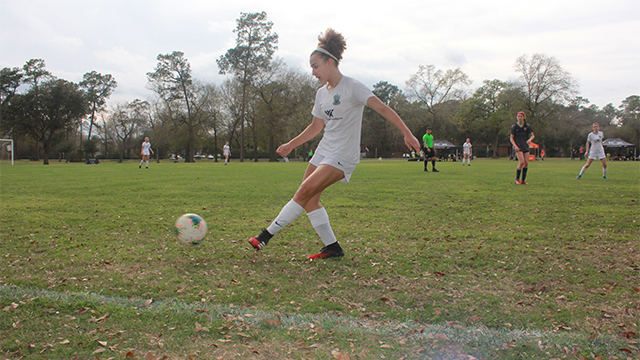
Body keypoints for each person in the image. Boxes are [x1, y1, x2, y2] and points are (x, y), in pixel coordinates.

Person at [247, 28, 421, 259]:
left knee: (304, 191)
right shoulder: (321, 94)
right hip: (323, 150)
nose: (313, 72)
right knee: (309, 200)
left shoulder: (352, 86)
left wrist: (407, 133)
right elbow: (316, 127)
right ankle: (332, 247)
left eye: (315, 66)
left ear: (330, 62)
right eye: (311, 67)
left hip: (343, 154)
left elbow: (382, 108)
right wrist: (291, 144)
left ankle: (264, 236)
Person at [510, 112, 535, 185]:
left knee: (526, 163)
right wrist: (515, 145)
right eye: (518, 116)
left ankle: (523, 180)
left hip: (525, 146)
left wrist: (530, 139)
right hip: (518, 146)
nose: (519, 117)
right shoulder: (514, 126)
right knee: (521, 162)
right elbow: (511, 138)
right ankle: (517, 179)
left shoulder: (527, 126)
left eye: (521, 116)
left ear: (524, 117)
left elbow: (533, 135)